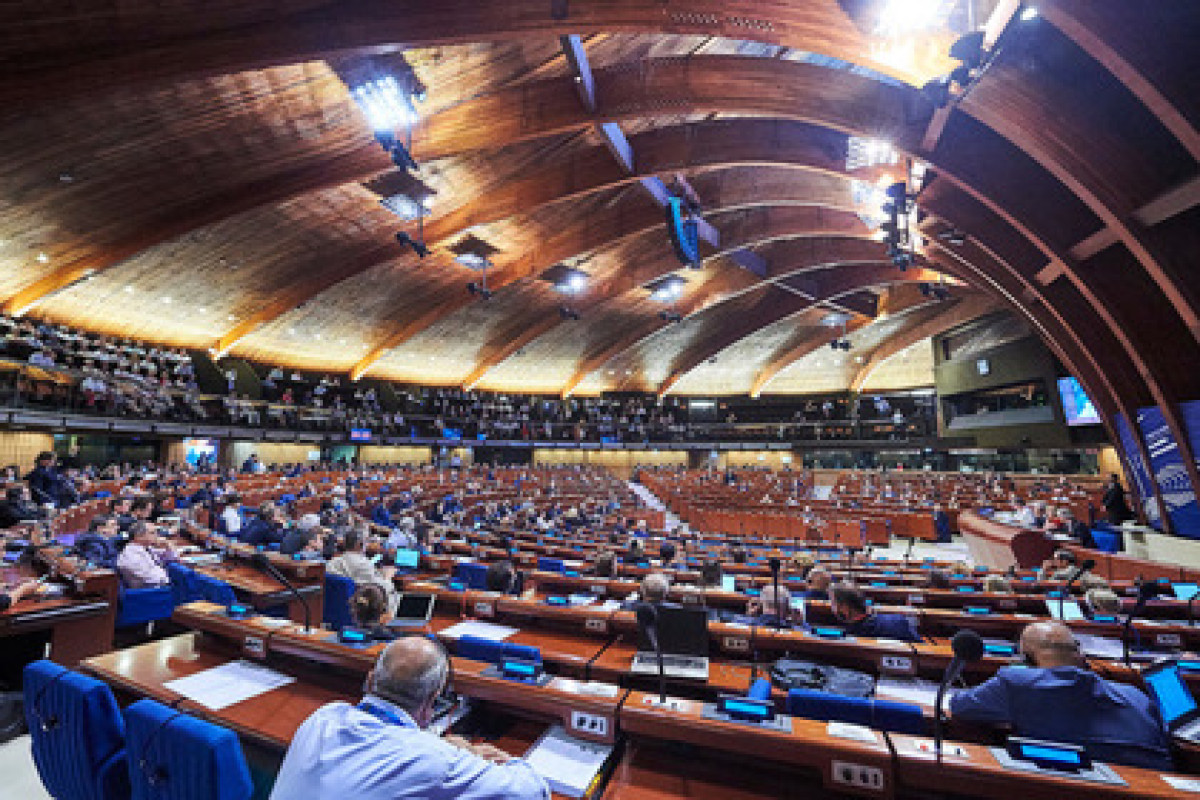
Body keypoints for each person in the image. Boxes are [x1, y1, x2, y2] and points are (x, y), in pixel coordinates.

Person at [270, 637, 549, 800]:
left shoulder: (324, 716)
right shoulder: (438, 762)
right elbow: (534, 792)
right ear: (433, 699)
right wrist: (486, 756)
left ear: (370, 680)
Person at [950, 621, 1171, 770]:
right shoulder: (1137, 695)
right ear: (1080, 655)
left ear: (1026, 660)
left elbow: (960, 706)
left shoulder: (1016, 683)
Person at [327, 529, 398, 612]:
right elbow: (381, 588)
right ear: (359, 545)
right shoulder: (363, 565)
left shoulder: (332, 562)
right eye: (366, 542)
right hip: (361, 611)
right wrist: (387, 577)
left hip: (335, 610)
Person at [830, 584, 921, 642]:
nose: (831, 607)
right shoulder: (898, 620)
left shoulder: (849, 638)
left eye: (833, 603)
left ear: (844, 608)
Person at [115, 521, 177, 589]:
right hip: (150, 590)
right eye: (152, 533)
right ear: (138, 536)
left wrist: (168, 546)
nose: (157, 535)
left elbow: (167, 558)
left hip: (159, 584)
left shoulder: (145, 548)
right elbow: (151, 578)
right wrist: (173, 578)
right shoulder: (131, 556)